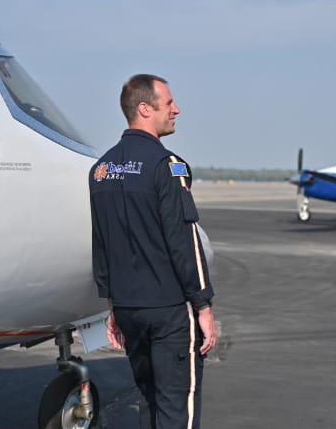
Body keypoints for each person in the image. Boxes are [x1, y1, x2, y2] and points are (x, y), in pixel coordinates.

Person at [89, 74, 217, 429]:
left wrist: (112, 305)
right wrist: (203, 305)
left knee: (148, 400)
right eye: (169, 102)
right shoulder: (168, 166)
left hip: (128, 309)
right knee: (177, 407)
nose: (177, 109)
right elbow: (185, 241)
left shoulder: (100, 170)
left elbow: (102, 244)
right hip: (168, 312)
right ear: (145, 108)